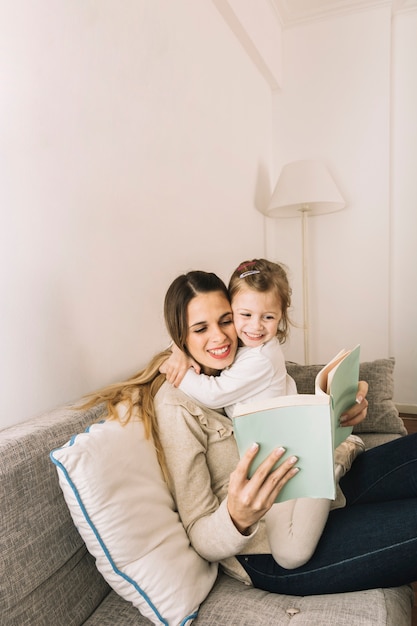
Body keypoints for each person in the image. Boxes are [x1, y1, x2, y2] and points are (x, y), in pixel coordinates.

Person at [82, 269, 417, 595]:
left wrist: (342, 415)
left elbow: (286, 414)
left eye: (225, 320)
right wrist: (237, 516)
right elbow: (200, 534)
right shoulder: (176, 406)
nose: (220, 337)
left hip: (313, 488)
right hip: (269, 547)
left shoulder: (243, 361)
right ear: (180, 335)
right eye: (200, 329)